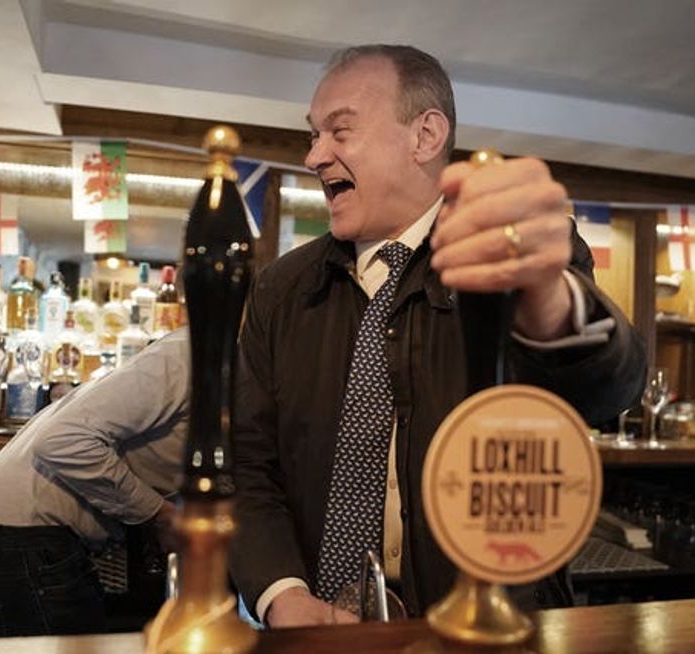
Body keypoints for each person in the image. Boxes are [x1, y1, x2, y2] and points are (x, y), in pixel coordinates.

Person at [229, 45, 646, 628]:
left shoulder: (510, 260)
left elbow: (611, 391)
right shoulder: (281, 288)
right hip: (317, 627)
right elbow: (249, 466)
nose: (315, 155)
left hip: (489, 627)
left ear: (425, 136)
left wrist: (547, 299)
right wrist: (281, 595)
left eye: (339, 131)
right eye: (313, 135)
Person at [0, 328, 188, 638]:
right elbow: (61, 441)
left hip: (7, 538)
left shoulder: (191, 351)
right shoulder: (193, 354)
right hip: (20, 542)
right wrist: (159, 514)